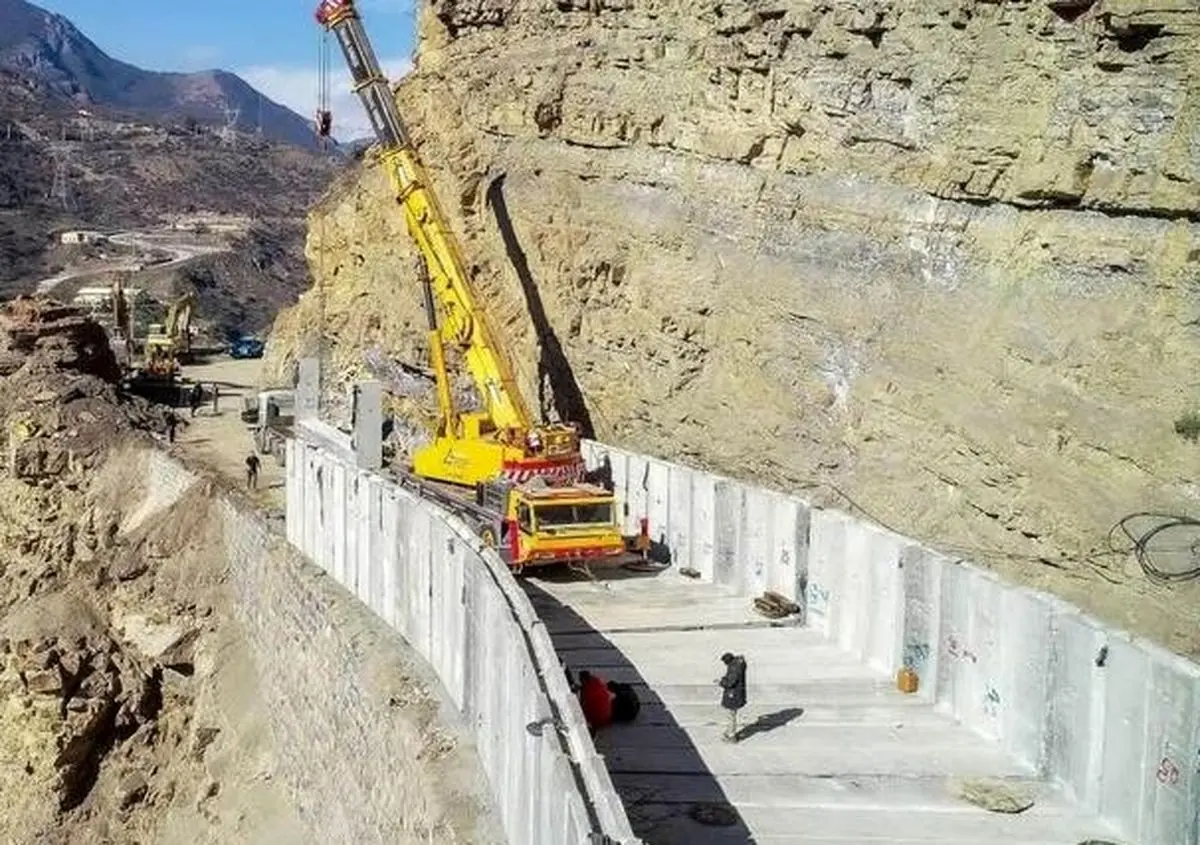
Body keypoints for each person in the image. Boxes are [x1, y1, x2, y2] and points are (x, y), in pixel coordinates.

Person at [716, 652, 747, 743]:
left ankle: (732, 736)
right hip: (738, 693)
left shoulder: (734, 668)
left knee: (731, 715)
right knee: (731, 715)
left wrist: (720, 682)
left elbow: (730, 683)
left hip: (733, 695)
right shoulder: (738, 664)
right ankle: (729, 731)